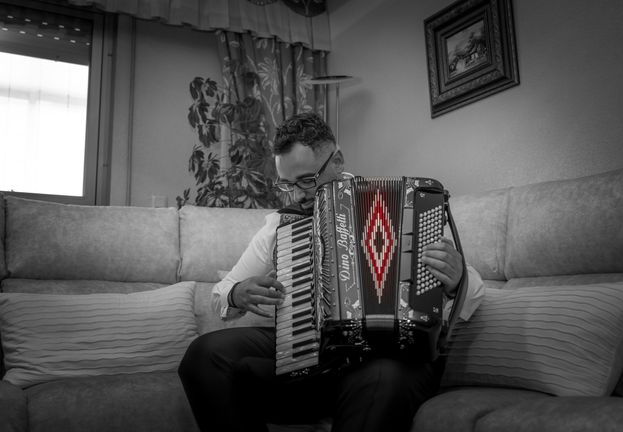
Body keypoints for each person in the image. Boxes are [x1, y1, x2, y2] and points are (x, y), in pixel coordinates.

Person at [179, 112, 485, 432]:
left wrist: (457, 278)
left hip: (390, 354)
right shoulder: (281, 224)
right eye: (287, 184)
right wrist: (236, 292)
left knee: (383, 375)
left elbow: (474, 292)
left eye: (307, 180)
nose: (297, 195)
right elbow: (220, 294)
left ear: (337, 161)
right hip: (310, 349)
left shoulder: (405, 205)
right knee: (205, 354)